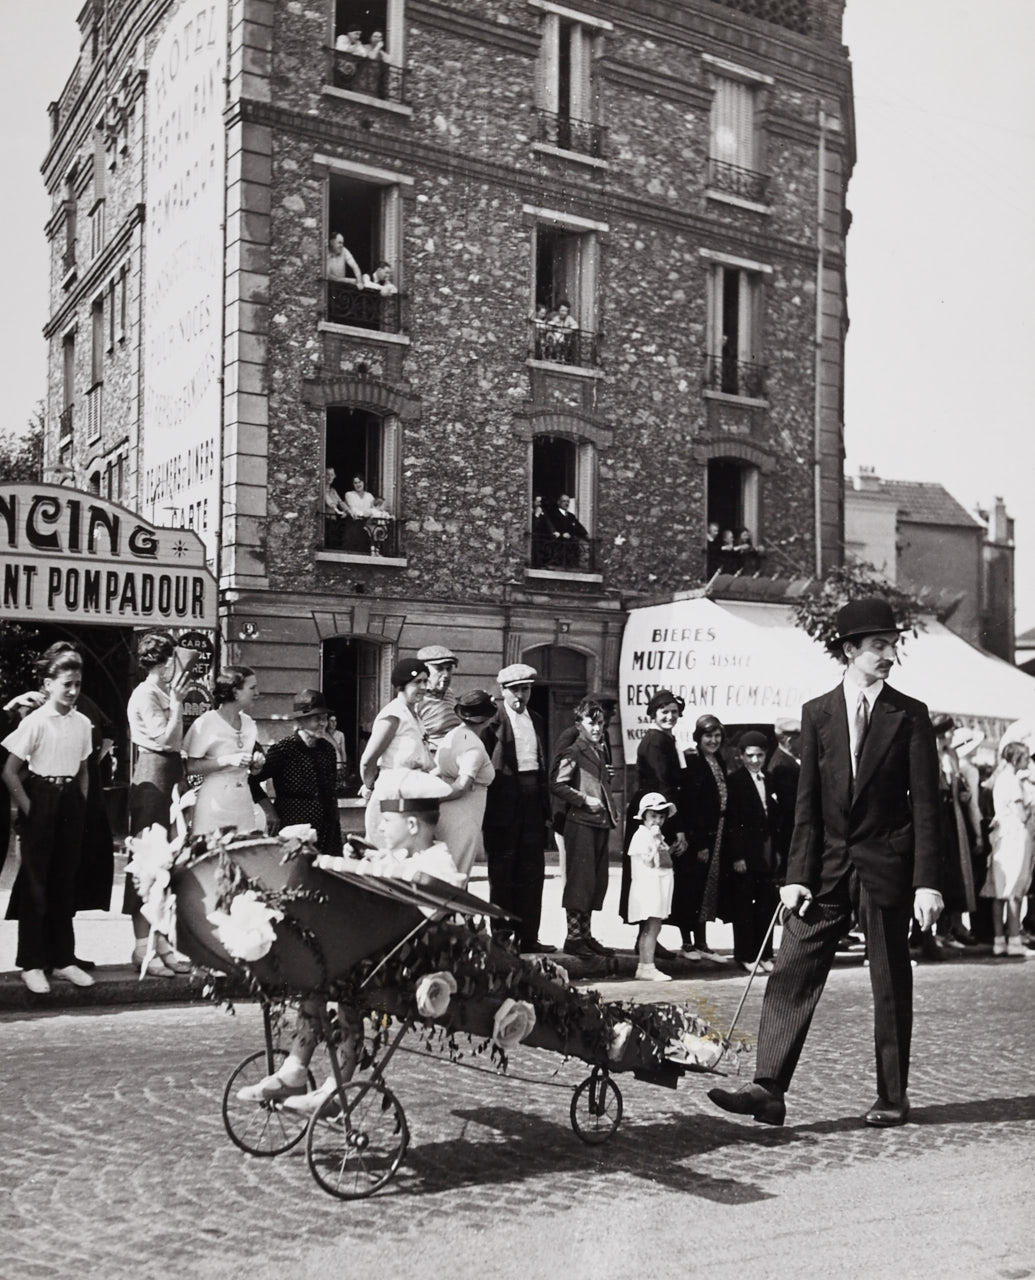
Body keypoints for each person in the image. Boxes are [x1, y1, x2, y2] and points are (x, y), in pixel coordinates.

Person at [708, 596, 942, 1128]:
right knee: (791, 967)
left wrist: (927, 883)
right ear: (850, 650)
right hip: (828, 868)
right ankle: (768, 1089)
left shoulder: (910, 714)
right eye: (879, 645)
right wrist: (795, 877)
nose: (889, 655)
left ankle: (892, 1096)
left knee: (889, 982)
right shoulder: (818, 713)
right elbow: (807, 805)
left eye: (892, 645)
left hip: (885, 865)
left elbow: (927, 806)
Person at [237, 771, 461, 1113]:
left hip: (401, 962)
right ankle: (295, 1069)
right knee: (320, 974)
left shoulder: (439, 866)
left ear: (413, 826)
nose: (380, 827)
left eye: (387, 821)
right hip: (372, 953)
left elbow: (423, 917)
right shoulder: (401, 856)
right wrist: (365, 861)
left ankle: (335, 1086)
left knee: (343, 986)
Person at [1, 648, 94, 993]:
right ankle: (32, 963)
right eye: (66, 684)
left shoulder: (82, 723)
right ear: (48, 684)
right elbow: (10, 772)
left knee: (64, 883)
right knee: (36, 886)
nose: (73, 691)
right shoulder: (35, 721)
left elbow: (84, 770)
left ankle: (63, 959)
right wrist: (31, 809)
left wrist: (80, 802)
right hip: (41, 797)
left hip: (70, 801)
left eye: (77, 684)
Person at [123, 632, 192, 977]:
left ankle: (160, 940)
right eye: (172, 662)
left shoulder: (162, 692)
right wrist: (177, 705)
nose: (176, 668)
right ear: (162, 664)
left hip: (170, 774)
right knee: (148, 862)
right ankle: (142, 947)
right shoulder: (146, 694)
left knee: (168, 863)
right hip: (153, 772)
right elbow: (165, 739)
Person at [479, 663, 552, 953]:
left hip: (533, 802)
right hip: (503, 805)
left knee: (532, 871)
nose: (521, 695)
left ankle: (529, 937)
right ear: (502, 691)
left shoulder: (537, 720)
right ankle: (502, 939)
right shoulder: (491, 724)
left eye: (526, 689)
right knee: (502, 873)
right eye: (515, 690)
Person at [619, 689, 687, 961]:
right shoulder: (655, 741)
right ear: (653, 714)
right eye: (664, 712)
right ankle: (646, 940)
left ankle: (648, 938)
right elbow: (663, 783)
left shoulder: (666, 739)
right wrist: (677, 826)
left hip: (657, 812)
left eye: (674, 712)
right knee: (649, 878)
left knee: (656, 879)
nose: (670, 716)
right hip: (653, 815)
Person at [551, 699, 617, 958]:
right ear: (579, 725)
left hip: (599, 822)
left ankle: (586, 936)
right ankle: (573, 937)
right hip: (580, 823)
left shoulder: (598, 750)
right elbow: (557, 784)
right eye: (592, 723)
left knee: (594, 882)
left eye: (601, 723)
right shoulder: (574, 751)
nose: (598, 728)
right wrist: (583, 799)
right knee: (579, 881)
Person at [254, 689, 343, 857]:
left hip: (327, 829)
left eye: (324, 718)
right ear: (300, 722)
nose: (323, 723)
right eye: (317, 718)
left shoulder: (328, 749)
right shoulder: (283, 749)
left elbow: (330, 791)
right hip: (293, 828)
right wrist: (269, 811)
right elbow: (252, 781)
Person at [183, 666, 265, 836]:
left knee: (243, 848)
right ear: (235, 692)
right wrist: (228, 760)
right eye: (252, 688)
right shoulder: (207, 722)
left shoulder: (249, 723)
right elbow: (190, 767)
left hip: (242, 803)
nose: (257, 693)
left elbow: (250, 769)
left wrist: (256, 765)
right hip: (215, 804)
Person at [359, 658, 434, 843]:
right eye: (417, 682)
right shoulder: (393, 715)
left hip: (412, 793)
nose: (423, 687)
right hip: (393, 794)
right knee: (388, 849)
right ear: (401, 685)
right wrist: (370, 787)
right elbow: (368, 760)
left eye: (425, 681)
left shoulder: (413, 715)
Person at [725, 730, 781, 972]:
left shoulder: (769, 779)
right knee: (745, 906)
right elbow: (733, 822)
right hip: (746, 854)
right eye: (750, 756)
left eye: (759, 755)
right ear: (741, 756)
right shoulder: (735, 781)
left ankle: (765, 954)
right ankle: (745, 955)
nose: (755, 760)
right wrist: (737, 856)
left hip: (766, 851)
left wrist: (776, 850)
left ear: (766, 755)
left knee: (766, 903)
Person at [678, 714, 730, 961]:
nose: (714, 740)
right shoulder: (693, 760)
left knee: (707, 888)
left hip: (717, 831)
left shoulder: (718, 759)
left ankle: (702, 942)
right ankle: (687, 943)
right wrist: (699, 842)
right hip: (699, 835)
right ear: (699, 737)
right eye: (709, 736)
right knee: (691, 887)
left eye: (717, 736)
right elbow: (691, 804)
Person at [432, 690, 496, 881]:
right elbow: (462, 787)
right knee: (457, 872)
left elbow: (437, 770)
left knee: (446, 869)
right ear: (487, 719)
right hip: (464, 816)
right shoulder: (473, 746)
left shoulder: (453, 735)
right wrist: (432, 798)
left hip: (446, 814)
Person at [980, 741, 1033, 957]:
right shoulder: (1013, 782)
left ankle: (999, 940)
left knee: (1000, 890)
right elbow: (1021, 814)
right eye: (1025, 757)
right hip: (1015, 836)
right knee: (1014, 889)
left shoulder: (1001, 779)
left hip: (1002, 836)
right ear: (1016, 759)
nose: (1028, 760)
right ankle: (1014, 939)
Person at [930, 715, 976, 949]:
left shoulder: (951, 755)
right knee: (942, 871)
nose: (952, 735)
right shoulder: (931, 753)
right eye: (949, 731)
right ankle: (938, 931)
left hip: (952, 814)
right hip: (938, 815)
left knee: (954, 872)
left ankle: (948, 928)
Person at [627, 793, 676, 981]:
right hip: (649, 888)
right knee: (652, 927)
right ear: (644, 816)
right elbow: (648, 861)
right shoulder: (642, 835)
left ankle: (643, 966)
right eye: (653, 816)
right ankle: (647, 966)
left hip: (658, 886)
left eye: (661, 817)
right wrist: (656, 843)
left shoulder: (655, 836)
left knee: (653, 927)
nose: (657, 821)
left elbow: (663, 859)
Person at [768, 717, 801, 882]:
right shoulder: (782, 765)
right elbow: (790, 804)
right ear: (789, 741)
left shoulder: (787, 760)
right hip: (788, 830)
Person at [415, 644, 461, 751]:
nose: (446, 675)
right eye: (439, 669)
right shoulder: (416, 699)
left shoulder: (449, 694)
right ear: (424, 671)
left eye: (449, 669)